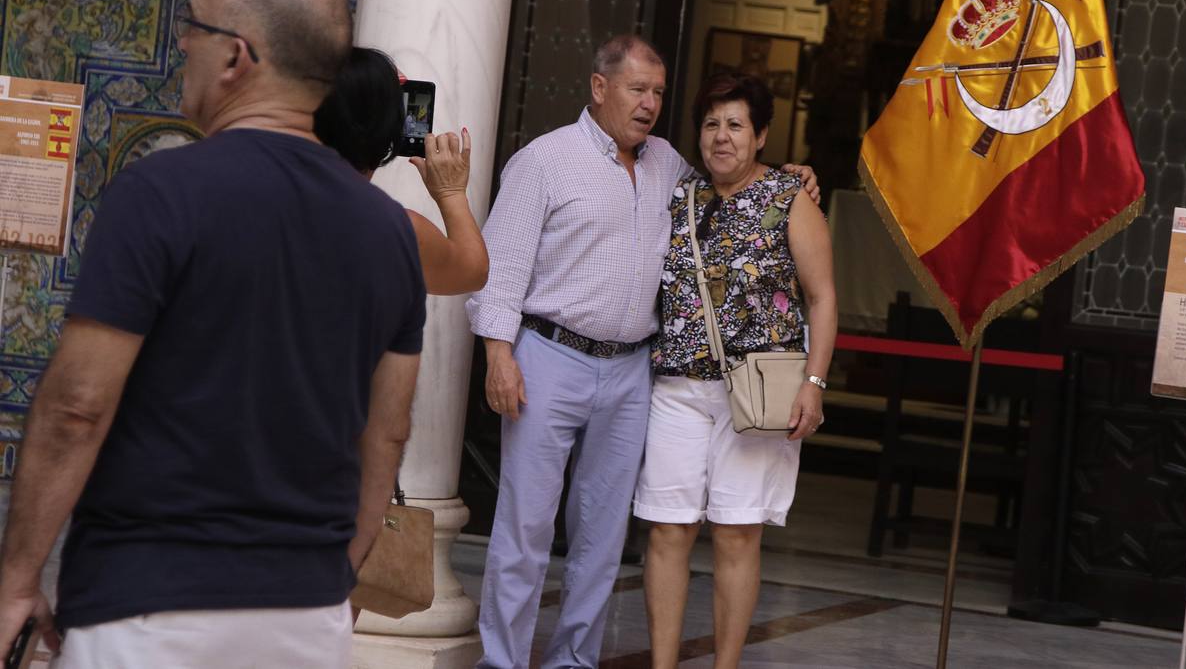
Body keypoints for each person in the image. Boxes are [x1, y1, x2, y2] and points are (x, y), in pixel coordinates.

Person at [0, 0, 427, 667]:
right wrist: (335, 572)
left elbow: (77, 407)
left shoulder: (160, 192)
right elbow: (387, 434)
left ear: (237, 56)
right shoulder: (389, 231)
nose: (181, 48)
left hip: (148, 608)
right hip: (307, 616)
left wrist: (17, 578)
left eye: (191, 29)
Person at [465, 35, 817, 669]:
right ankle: (503, 662)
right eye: (637, 89)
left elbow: (736, 180)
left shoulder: (668, 167)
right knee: (526, 528)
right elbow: (501, 268)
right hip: (548, 357)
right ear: (600, 88)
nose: (650, 103)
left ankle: (572, 660)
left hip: (631, 371)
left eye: (658, 92)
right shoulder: (543, 161)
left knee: (603, 536)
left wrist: (793, 175)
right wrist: (498, 353)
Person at [636, 72, 836, 669]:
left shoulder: (789, 199)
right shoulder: (680, 194)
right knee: (668, 530)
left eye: (736, 125)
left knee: (737, 532)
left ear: (761, 135)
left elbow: (823, 298)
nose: (722, 137)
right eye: (711, 124)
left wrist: (816, 383)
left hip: (759, 394)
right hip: (677, 388)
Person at [315, 45, 488, 296]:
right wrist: (451, 193)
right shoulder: (395, 229)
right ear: (388, 133)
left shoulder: (261, 192)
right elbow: (472, 273)